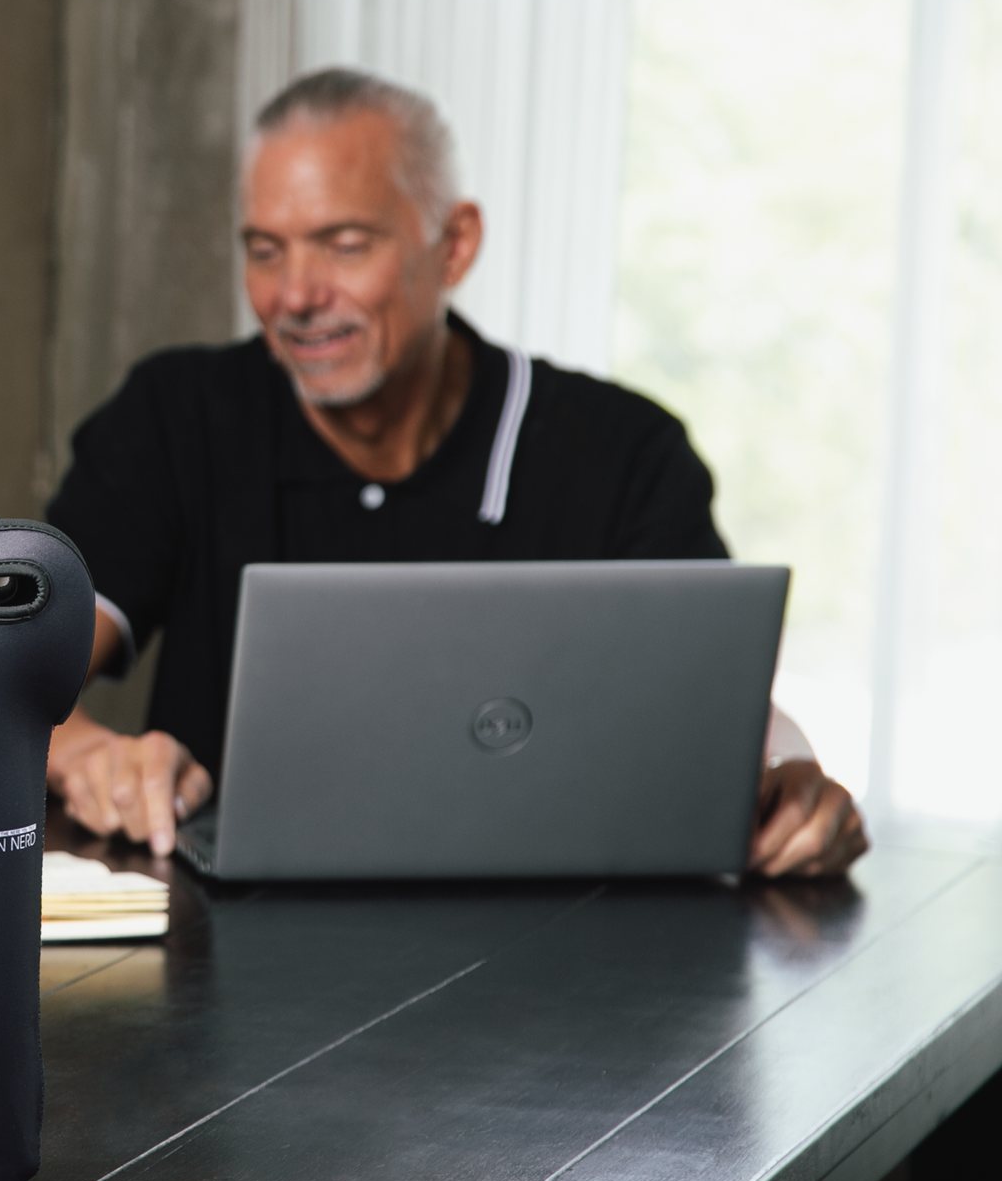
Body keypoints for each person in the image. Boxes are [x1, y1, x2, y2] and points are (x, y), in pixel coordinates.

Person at [44, 69, 865, 880]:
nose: (294, 294)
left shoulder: (623, 452)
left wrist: (795, 779)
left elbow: (722, 708)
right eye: (265, 251)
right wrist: (78, 750)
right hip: (222, 952)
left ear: (456, 245)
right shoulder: (176, 416)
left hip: (559, 952)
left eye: (344, 244)